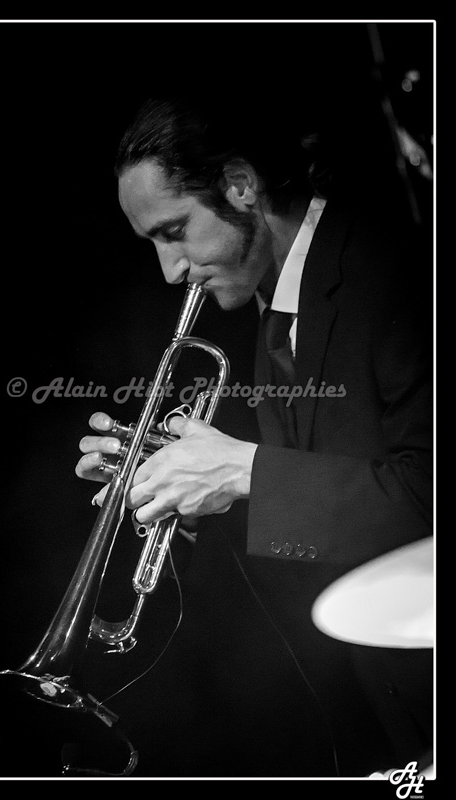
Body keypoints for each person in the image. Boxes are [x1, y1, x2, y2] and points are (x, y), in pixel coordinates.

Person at [74, 96, 433, 777]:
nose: (170, 270)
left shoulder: (396, 263)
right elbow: (324, 532)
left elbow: (426, 496)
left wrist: (245, 472)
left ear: (240, 185)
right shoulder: (274, 315)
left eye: (175, 231)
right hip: (395, 709)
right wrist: (182, 496)